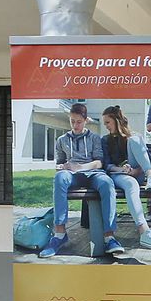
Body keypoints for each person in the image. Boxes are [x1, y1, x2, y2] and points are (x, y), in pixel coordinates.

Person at [41, 103, 123, 259]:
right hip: (72, 176)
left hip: (93, 173)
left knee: (107, 183)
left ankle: (109, 237)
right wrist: (63, 166)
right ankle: (59, 234)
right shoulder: (62, 140)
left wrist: (80, 167)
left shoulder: (95, 138)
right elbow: (60, 163)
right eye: (72, 121)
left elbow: (99, 162)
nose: (75, 125)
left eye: (79, 121)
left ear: (86, 120)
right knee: (60, 177)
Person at [99, 104, 151, 251]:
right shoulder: (105, 140)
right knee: (131, 184)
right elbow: (106, 165)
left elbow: (143, 158)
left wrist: (137, 170)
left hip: (139, 172)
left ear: (116, 121)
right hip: (118, 175)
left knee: (135, 139)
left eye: (107, 122)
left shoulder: (133, 137)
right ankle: (145, 232)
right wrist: (122, 169)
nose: (105, 126)